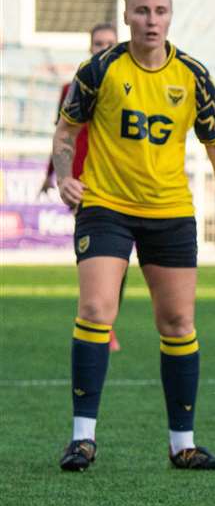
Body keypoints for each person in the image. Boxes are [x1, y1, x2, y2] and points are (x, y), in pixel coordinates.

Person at [52, 0, 215, 472]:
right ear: (126, 16)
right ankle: (82, 438)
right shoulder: (99, 71)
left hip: (170, 213)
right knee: (96, 309)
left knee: (178, 321)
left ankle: (183, 444)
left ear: (170, 16)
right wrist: (62, 176)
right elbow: (65, 133)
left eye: (160, 11)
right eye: (142, 11)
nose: (151, 20)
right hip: (107, 207)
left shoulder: (193, 75)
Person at [41, 22, 124, 353]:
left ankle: (104, 321)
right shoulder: (72, 87)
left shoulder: (127, 85)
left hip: (118, 182)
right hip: (82, 183)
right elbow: (63, 134)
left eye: (109, 42)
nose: (103, 47)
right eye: (97, 43)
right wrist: (53, 175)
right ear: (89, 47)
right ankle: (98, 323)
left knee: (117, 257)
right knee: (96, 253)